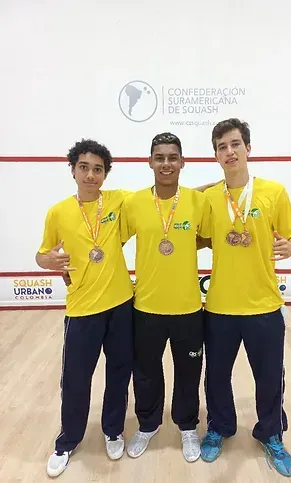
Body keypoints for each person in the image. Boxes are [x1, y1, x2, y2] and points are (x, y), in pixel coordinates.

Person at [200, 119, 291, 477]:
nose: (229, 152)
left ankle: (271, 432)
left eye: (235, 144)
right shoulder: (209, 199)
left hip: (264, 306)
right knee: (216, 376)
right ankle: (219, 427)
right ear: (215, 155)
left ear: (248, 148)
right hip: (219, 308)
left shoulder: (274, 192)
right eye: (221, 147)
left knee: (270, 377)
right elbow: (184, 227)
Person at [36, 139, 134, 477]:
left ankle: (112, 430)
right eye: (84, 168)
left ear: (105, 174)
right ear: (73, 170)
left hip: (122, 306)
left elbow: (163, 198)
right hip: (81, 311)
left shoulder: (119, 201)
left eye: (97, 169)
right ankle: (67, 440)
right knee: (76, 379)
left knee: (119, 373)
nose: (91, 174)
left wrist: (219, 185)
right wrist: (47, 261)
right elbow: (43, 254)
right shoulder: (59, 212)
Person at [120, 132, 210, 463]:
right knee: (145, 370)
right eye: (160, 157)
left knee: (188, 370)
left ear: (183, 163)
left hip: (188, 308)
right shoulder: (133, 204)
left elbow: (210, 238)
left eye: (173, 157)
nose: (166, 163)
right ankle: (147, 424)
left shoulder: (198, 202)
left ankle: (187, 425)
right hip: (146, 307)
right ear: (150, 162)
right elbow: (110, 241)